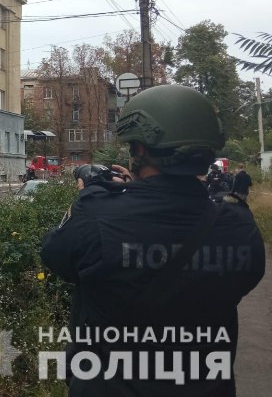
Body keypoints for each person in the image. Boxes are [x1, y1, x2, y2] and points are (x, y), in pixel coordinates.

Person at [40, 84, 265, 396]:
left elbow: (55, 256)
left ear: (141, 149)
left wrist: (90, 196)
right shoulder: (239, 226)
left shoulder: (98, 217)